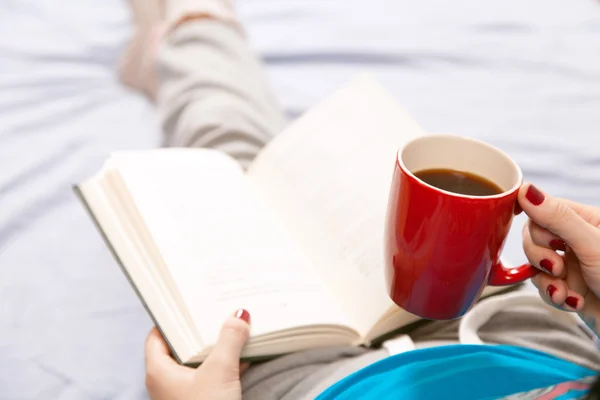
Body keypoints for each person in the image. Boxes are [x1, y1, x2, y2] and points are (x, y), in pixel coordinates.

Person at [120, 1, 600, 398]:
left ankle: (195, 30)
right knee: (309, 186)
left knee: (228, 163)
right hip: (529, 348)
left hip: (329, 386)